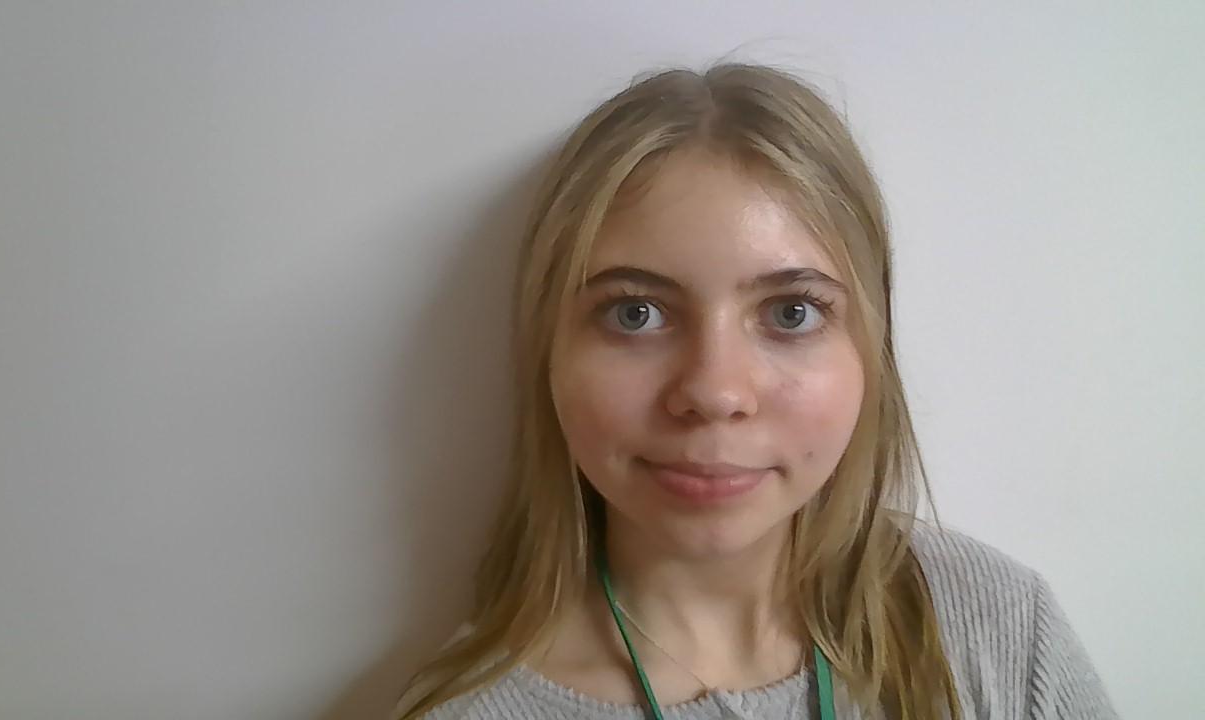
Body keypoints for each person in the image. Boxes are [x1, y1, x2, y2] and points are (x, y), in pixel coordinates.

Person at [391, 62, 1119, 720]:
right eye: (635, 313)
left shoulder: (1000, 630)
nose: (714, 392)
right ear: (547, 350)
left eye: (791, 312)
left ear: (870, 347)